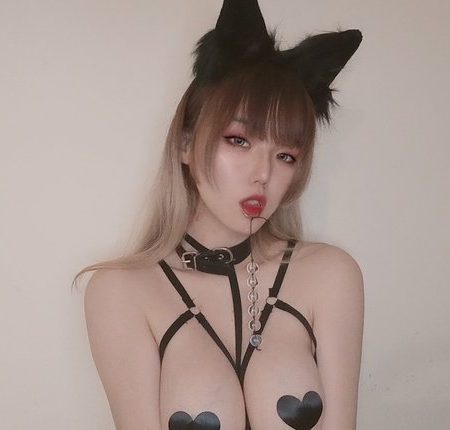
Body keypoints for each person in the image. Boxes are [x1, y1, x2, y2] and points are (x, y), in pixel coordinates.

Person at [77, 1, 364, 429]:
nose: (263, 174)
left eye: (285, 155)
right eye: (239, 140)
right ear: (185, 144)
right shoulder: (121, 292)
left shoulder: (329, 274)